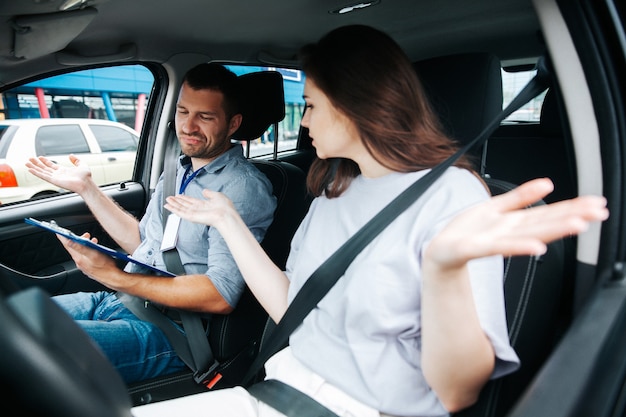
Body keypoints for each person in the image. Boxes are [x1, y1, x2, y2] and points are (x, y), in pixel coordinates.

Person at [128, 25, 609, 417]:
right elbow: (289, 309)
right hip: (278, 389)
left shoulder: (454, 196)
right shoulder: (335, 191)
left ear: (354, 104)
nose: (305, 122)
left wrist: (443, 269)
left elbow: (458, 392)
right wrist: (229, 221)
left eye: (312, 105)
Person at [25, 63, 277, 384]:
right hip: (123, 303)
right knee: (14, 319)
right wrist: (87, 188)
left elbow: (220, 296)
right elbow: (144, 243)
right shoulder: (179, 170)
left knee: (25, 349)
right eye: (184, 111)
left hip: (173, 332)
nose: (188, 126)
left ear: (233, 124)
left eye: (206, 117)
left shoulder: (243, 188)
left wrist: (115, 278)